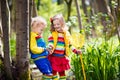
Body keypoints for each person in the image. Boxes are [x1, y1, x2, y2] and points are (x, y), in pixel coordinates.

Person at [48, 14, 82, 80]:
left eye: (58, 24)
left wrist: (76, 51)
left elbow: (69, 45)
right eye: (54, 25)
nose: (56, 26)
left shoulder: (66, 34)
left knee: (62, 73)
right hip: (54, 57)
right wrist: (50, 46)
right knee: (53, 72)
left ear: (62, 24)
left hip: (62, 58)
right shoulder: (53, 33)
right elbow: (51, 42)